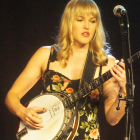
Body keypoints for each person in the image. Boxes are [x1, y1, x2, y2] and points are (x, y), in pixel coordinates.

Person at [5, 0, 126, 139]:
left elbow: (113, 119)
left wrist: (124, 91)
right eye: (80, 20)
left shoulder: (106, 63)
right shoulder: (46, 55)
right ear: (69, 22)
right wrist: (22, 112)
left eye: (92, 21)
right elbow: (12, 95)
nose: (86, 26)